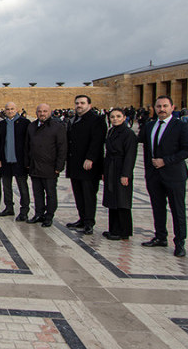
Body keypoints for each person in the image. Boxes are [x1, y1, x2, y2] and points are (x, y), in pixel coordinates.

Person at [139, 96, 188, 257]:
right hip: (154, 175)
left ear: (172, 107)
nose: (161, 109)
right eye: (158, 106)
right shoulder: (150, 126)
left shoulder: (181, 126)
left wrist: (166, 161)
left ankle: (179, 242)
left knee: (177, 209)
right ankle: (160, 236)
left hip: (174, 174)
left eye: (165, 106)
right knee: (157, 207)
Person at [65, 95, 107, 235]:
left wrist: (90, 158)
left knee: (88, 194)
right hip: (75, 163)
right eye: (77, 103)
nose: (79, 105)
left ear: (89, 104)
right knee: (78, 193)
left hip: (88, 165)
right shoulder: (75, 119)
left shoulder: (96, 120)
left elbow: (97, 141)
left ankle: (89, 222)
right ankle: (82, 219)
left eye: (82, 103)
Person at [25, 104, 66, 227]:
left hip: (50, 167)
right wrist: (27, 162)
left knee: (50, 193)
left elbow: (62, 148)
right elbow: (27, 146)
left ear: (50, 112)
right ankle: (39, 213)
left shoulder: (57, 127)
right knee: (37, 192)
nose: (42, 113)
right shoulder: (32, 126)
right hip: (35, 166)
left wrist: (59, 166)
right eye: (40, 111)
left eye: (45, 111)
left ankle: (49, 216)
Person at [101, 108, 138, 240]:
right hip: (111, 167)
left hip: (121, 168)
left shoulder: (128, 134)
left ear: (124, 118)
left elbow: (130, 156)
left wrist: (126, 174)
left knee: (122, 200)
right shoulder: (111, 131)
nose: (115, 119)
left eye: (118, 116)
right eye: (112, 117)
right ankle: (114, 229)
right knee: (112, 198)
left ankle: (124, 231)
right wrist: (104, 171)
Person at [0, 102, 31, 220]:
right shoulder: (1, 124)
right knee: (6, 186)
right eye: (8, 109)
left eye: (12, 109)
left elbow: (28, 143)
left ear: (16, 110)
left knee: (22, 186)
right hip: (5, 160)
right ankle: (9, 207)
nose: (10, 111)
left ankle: (24, 210)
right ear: (4, 111)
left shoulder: (25, 123)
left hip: (19, 161)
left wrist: (28, 161)